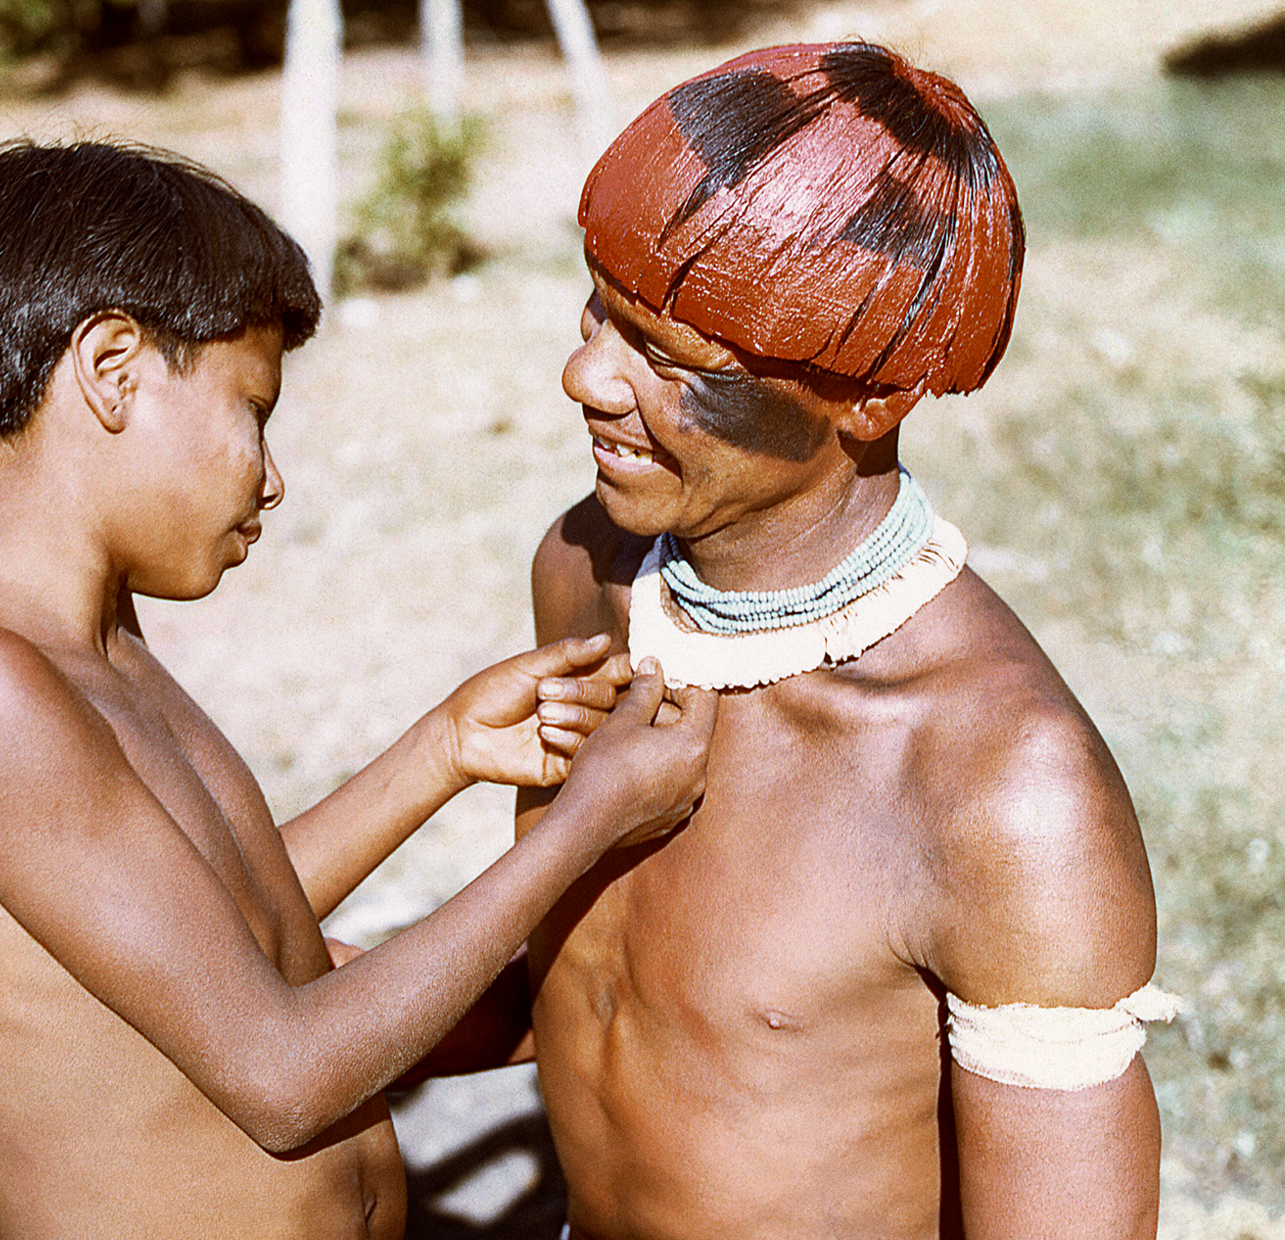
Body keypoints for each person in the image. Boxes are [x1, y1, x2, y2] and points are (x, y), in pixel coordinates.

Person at [0, 139, 717, 1239]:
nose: (272, 474)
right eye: (253, 408)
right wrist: (577, 828)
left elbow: (223, 930)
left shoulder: (94, 646)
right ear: (112, 370)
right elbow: (285, 1077)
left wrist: (438, 754)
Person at [478, 41, 1176, 1238]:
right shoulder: (586, 571)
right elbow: (607, 992)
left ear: (872, 394)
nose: (582, 374)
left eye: (670, 357)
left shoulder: (1001, 793)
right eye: (598, 306)